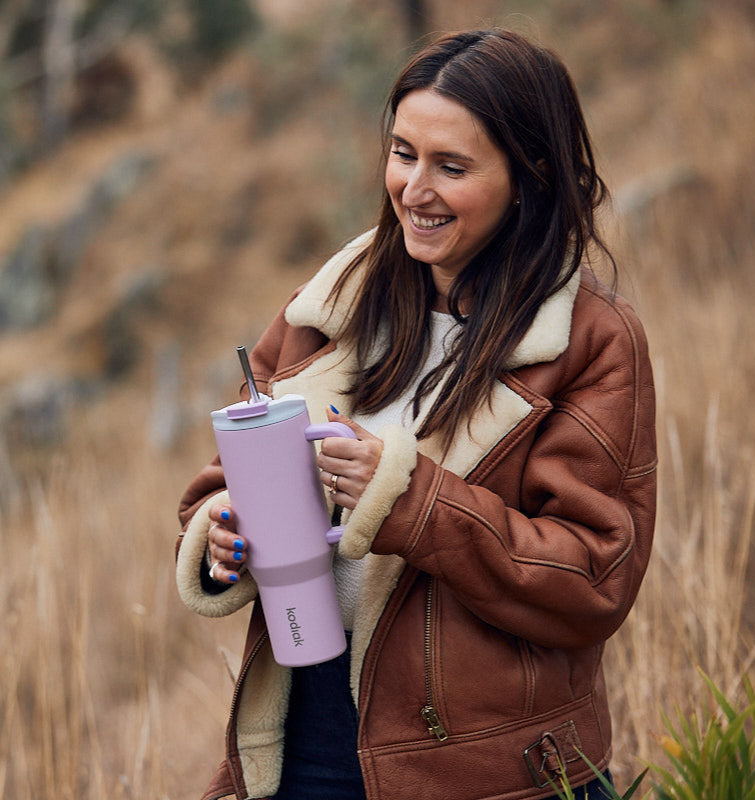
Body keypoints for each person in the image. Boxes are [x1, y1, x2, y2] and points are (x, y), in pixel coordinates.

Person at [175, 28, 657, 800]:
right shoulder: (330, 303)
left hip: (485, 759)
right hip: (305, 734)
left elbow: (592, 578)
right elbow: (215, 488)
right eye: (403, 154)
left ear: (529, 176)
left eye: (451, 167)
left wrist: (406, 499)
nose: (414, 189)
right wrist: (224, 533)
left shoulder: (589, 340)